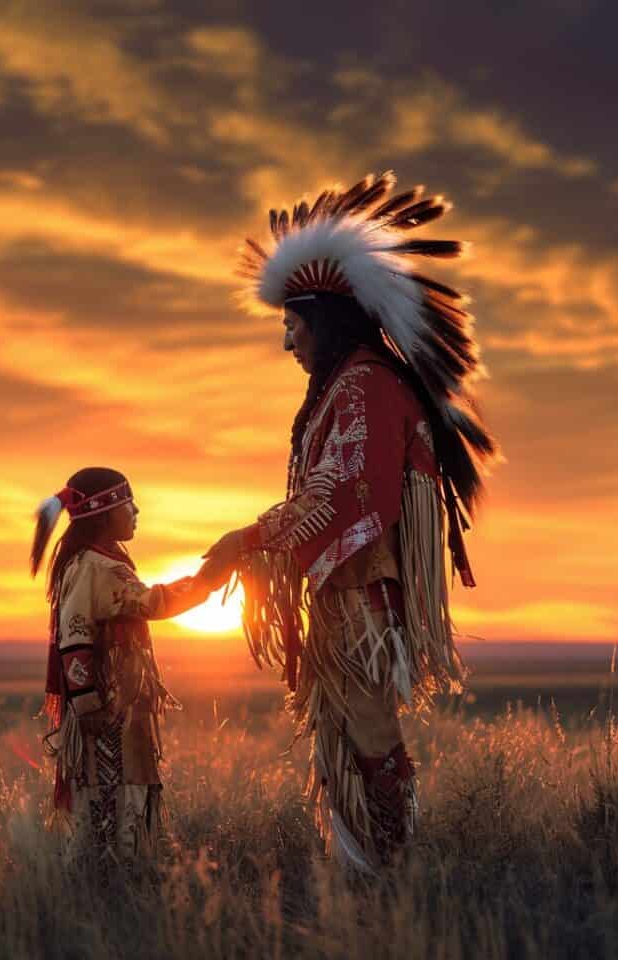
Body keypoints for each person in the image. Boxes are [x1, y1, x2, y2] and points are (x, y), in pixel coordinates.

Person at [203, 172, 498, 870]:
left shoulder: (366, 384)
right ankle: (366, 866)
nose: (288, 344)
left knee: (367, 726)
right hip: (345, 592)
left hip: (365, 597)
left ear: (325, 322)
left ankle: (390, 862)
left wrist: (249, 538)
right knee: (344, 727)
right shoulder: (351, 385)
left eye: (292, 326)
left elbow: (344, 488)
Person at [31, 466, 228, 863]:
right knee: (114, 796)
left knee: (114, 792)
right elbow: (92, 628)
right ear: (104, 513)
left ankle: (115, 874)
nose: (136, 512)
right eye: (128, 504)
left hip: (114, 703)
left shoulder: (93, 563)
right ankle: (115, 878)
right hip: (107, 709)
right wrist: (209, 579)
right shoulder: (97, 567)